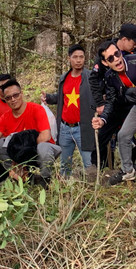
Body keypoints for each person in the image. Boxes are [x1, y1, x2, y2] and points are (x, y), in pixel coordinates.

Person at [90, 40, 136, 183]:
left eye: (117, 54)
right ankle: (103, 168)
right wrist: (102, 113)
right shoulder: (109, 76)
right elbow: (109, 99)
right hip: (117, 108)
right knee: (111, 136)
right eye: (111, 58)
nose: (116, 59)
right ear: (105, 62)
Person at [0, 79, 61, 184]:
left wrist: (25, 150)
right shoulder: (5, 117)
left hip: (40, 152)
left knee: (43, 147)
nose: (13, 100)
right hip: (19, 155)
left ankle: (45, 180)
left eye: (15, 95)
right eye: (8, 98)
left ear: (21, 94)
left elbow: (46, 136)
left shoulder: (36, 109)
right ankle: (24, 176)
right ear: (5, 100)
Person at [43, 44, 96, 178]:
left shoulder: (90, 77)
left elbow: (98, 98)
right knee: (65, 165)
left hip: (83, 127)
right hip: (65, 128)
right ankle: (65, 187)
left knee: (89, 163)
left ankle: (92, 187)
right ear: (69, 58)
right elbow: (62, 98)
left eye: (81, 57)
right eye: (75, 57)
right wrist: (48, 98)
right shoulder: (64, 78)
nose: (78, 60)